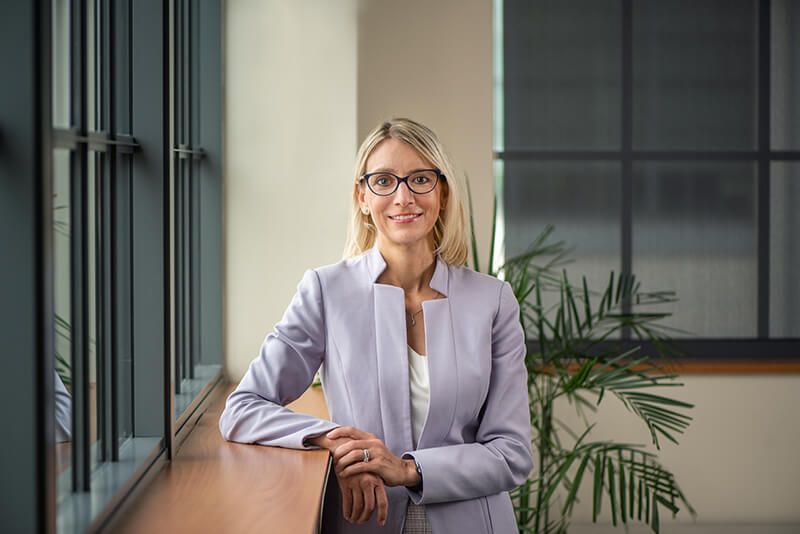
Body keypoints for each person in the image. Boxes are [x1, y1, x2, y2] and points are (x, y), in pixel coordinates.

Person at [219, 118, 533, 533]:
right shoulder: (326, 291)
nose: (404, 196)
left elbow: (511, 453)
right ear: (363, 196)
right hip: (363, 522)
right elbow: (243, 408)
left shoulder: (492, 300)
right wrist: (337, 442)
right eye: (384, 181)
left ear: (441, 192)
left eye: (420, 179)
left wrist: (406, 469)